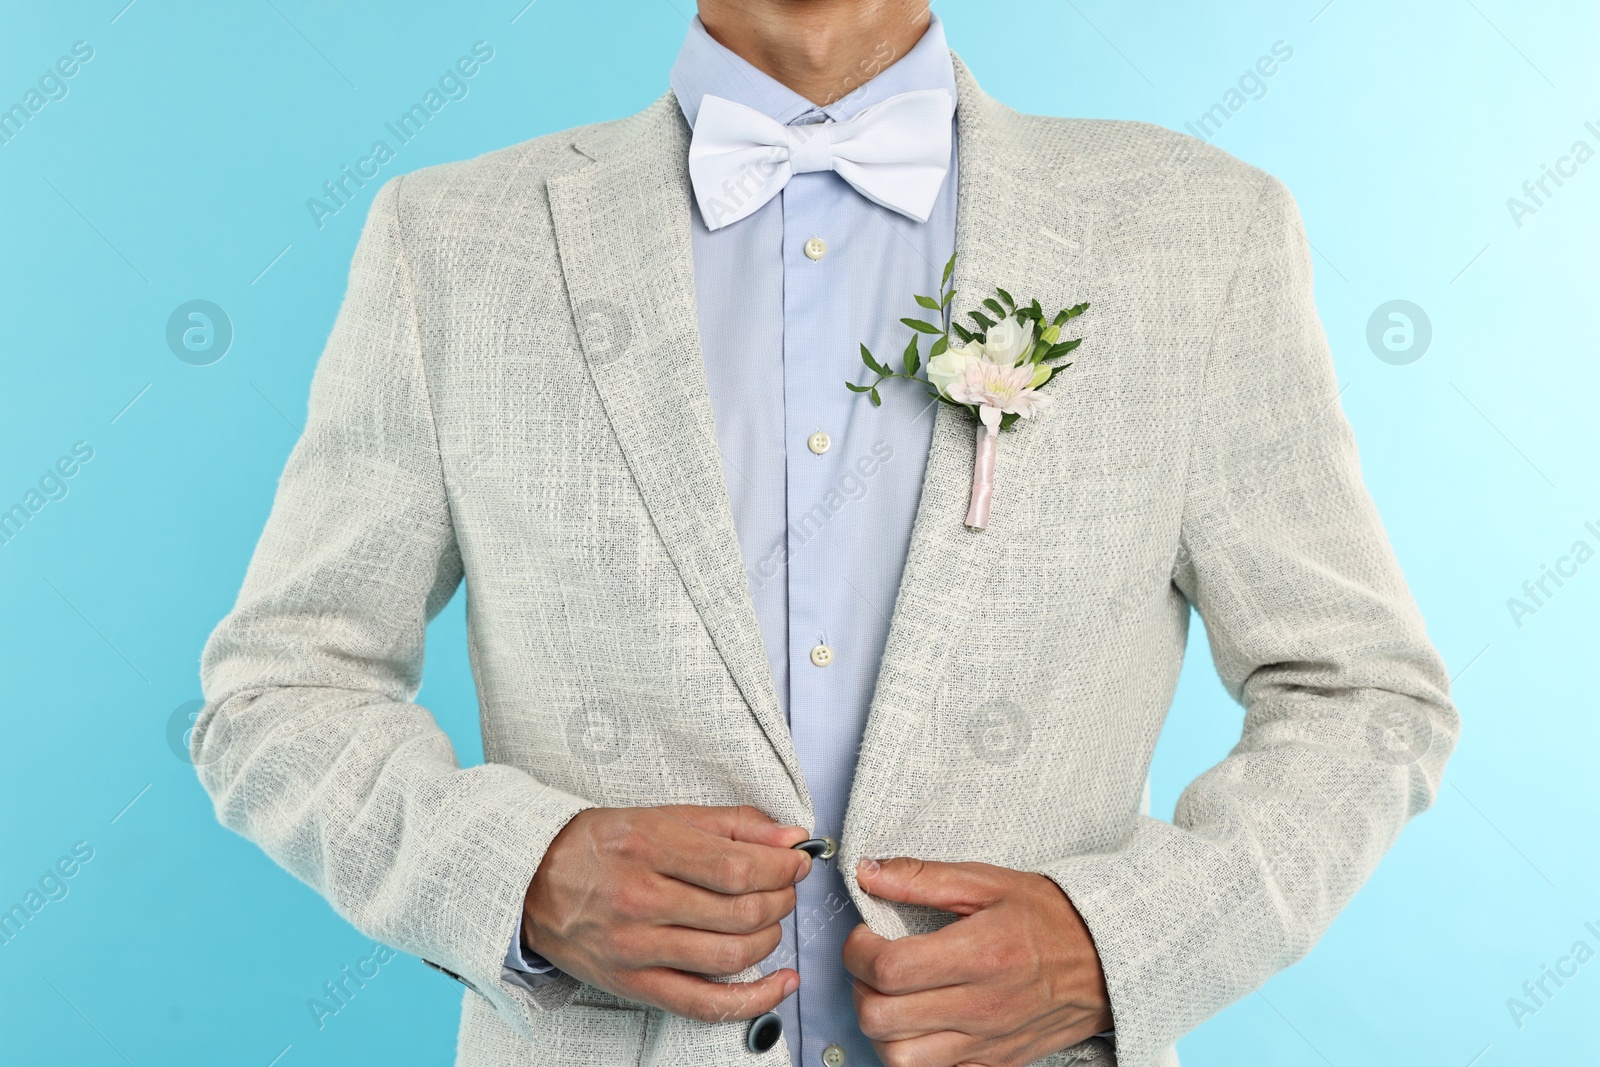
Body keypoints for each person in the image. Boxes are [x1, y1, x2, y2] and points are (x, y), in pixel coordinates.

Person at [193, 2, 1458, 1065]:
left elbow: (1360, 692)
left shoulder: (1195, 229)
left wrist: (1118, 940)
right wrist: (521, 873)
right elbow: (278, 692)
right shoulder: (451, 242)